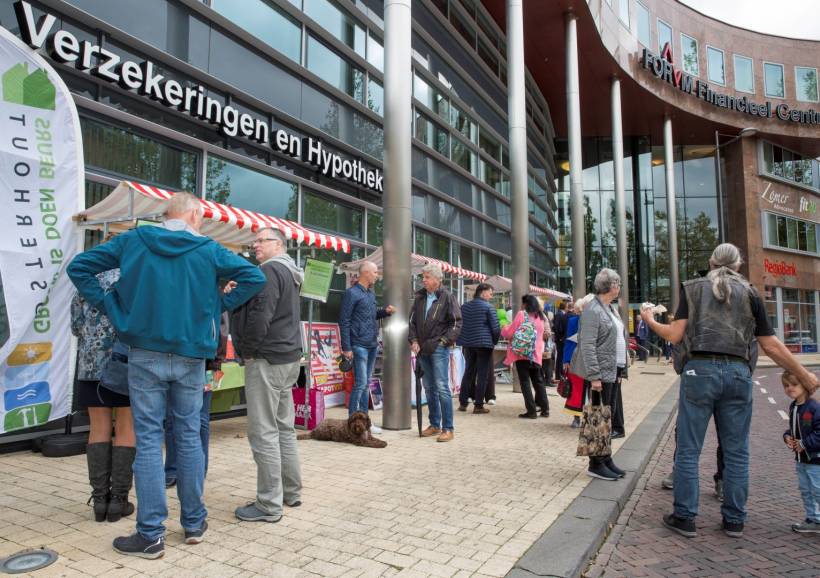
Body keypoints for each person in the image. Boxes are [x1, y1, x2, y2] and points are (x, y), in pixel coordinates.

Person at [67, 192, 266, 559]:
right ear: (192, 216)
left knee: (147, 438)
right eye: (201, 217)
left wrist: (111, 305)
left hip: (143, 352)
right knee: (188, 436)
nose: (202, 222)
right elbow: (253, 277)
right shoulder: (208, 249)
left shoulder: (133, 240)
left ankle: (150, 533)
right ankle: (193, 523)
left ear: (166, 215)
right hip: (191, 353)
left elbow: (79, 268)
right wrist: (213, 306)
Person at [641, 243, 817, 539]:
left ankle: (684, 517)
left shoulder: (693, 288)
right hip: (738, 373)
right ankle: (734, 519)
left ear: (711, 263)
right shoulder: (750, 292)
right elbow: (770, 345)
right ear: (738, 265)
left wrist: (649, 321)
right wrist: (804, 375)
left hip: (699, 370)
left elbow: (674, 335)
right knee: (737, 452)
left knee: (688, 449)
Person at [231, 228, 306, 522]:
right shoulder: (289, 272)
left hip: (267, 358)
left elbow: (262, 315)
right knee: (284, 428)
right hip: (287, 358)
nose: (255, 245)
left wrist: (247, 350)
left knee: (263, 431)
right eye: (255, 241)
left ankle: (268, 504)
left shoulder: (270, 271)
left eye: (262, 240)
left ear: (279, 244)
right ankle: (291, 492)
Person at [71, 268, 136, 523]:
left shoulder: (86, 281)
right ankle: (119, 500)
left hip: (90, 365)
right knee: (126, 428)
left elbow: (76, 325)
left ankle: (100, 500)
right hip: (124, 363)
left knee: (97, 428)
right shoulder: (133, 279)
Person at [570, 269, 628, 481]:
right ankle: (595, 462)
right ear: (611, 286)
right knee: (598, 416)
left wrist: (622, 369)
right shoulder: (593, 310)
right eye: (618, 283)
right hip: (601, 373)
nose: (619, 287)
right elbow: (587, 345)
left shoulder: (609, 308)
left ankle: (605, 457)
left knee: (607, 417)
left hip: (612, 370)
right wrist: (594, 375)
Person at [164, 312, 229, 488]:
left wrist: (216, 362)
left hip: (207, 364)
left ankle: (200, 469)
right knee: (171, 418)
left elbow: (221, 328)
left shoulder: (212, 291)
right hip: (176, 358)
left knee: (201, 420)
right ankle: (171, 470)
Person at [409, 264, 462, 442]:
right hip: (423, 348)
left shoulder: (447, 297)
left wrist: (444, 342)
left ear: (438, 279)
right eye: (423, 277)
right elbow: (412, 322)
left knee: (441, 388)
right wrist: (414, 341)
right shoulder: (419, 297)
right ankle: (434, 424)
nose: (423, 280)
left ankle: (448, 428)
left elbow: (456, 323)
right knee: (429, 388)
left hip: (438, 348)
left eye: (427, 277)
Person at [340, 262, 395, 430]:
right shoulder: (351, 293)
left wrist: (385, 312)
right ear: (365, 273)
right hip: (358, 345)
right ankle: (352, 424)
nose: (377, 275)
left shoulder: (370, 294)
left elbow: (371, 315)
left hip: (372, 344)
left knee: (365, 384)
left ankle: (364, 423)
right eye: (375, 272)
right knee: (361, 384)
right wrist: (347, 347)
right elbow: (344, 321)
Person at [782, 370, 820, 534]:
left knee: (818, 491)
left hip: (815, 459)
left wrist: (804, 443)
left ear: (805, 385)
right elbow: (794, 429)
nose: (789, 388)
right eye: (786, 385)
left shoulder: (813, 407)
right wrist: (787, 436)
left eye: (794, 384)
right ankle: (812, 520)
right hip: (801, 459)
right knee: (806, 490)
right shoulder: (793, 406)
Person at [502, 294, 550, 419]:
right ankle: (545, 410)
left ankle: (531, 411)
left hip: (522, 353)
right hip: (536, 355)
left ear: (525, 304)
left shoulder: (521, 314)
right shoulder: (540, 317)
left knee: (525, 383)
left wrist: (503, 329)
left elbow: (510, 332)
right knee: (538, 382)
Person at [457, 283, 500, 414]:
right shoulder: (489, 307)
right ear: (482, 292)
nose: (491, 296)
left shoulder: (464, 307)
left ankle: (463, 403)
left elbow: (460, 325)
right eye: (490, 293)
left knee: (468, 372)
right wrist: (494, 341)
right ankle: (478, 405)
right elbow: (496, 328)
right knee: (482, 375)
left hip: (468, 344)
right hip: (484, 345)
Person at [563, 295, 593, 427]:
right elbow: (569, 341)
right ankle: (576, 418)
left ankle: (591, 418)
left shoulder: (597, 321)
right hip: (576, 359)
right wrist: (566, 360)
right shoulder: (573, 321)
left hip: (593, 360)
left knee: (593, 390)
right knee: (577, 389)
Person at [553, 301, 568, 382]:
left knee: (560, 357)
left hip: (559, 339)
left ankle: (559, 374)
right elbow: (557, 327)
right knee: (560, 357)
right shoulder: (560, 314)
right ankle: (558, 375)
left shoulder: (560, 314)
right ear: (564, 307)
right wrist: (560, 338)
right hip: (560, 340)